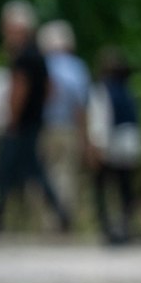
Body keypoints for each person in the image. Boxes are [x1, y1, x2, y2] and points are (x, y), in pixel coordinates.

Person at [0, 0, 71, 232]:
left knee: (8, 169)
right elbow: (49, 88)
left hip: (22, 123)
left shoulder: (24, 55)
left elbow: (19, 89)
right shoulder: (36, 54)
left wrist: (13, 117)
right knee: (29, 169)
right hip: (32, 120)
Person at [86, 48, 141, 245]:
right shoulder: (129, 91)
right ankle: (125, 225)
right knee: (125, 186)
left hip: (112, 141)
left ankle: (108, 227)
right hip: (131, 141)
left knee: (103, 185)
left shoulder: (102, 89)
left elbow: (100, 119)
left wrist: (96, 146)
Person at [38, 19, 90, 221]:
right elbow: (81, 105)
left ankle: (46, 217)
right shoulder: (77, 67)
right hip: (68, 127)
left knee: (44, 172)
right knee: (66, 173)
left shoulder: (42, 65)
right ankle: (62, 215)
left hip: (44, 126)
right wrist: (84, 133)